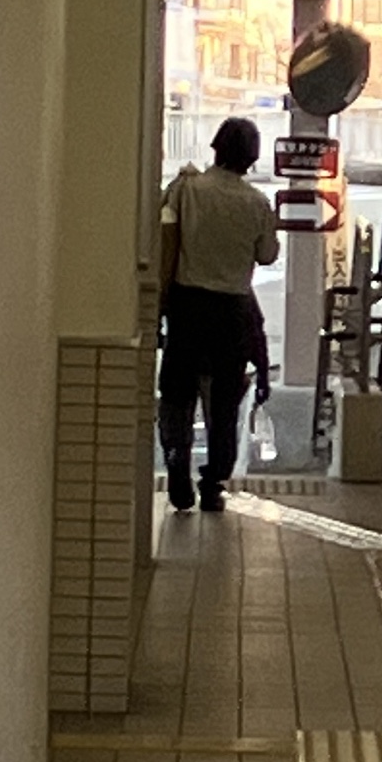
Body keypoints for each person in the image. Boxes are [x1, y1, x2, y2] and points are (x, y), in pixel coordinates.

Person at [158, 117, 280, 513]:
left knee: (178, 394)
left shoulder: (186, 188)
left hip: (187, 306)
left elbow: (162, 227)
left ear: (215, 148)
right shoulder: (257, 203)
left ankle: (176, 458)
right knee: (224, 403)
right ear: (251, 157)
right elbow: (267, 255)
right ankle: (212, 482)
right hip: (232, 312)